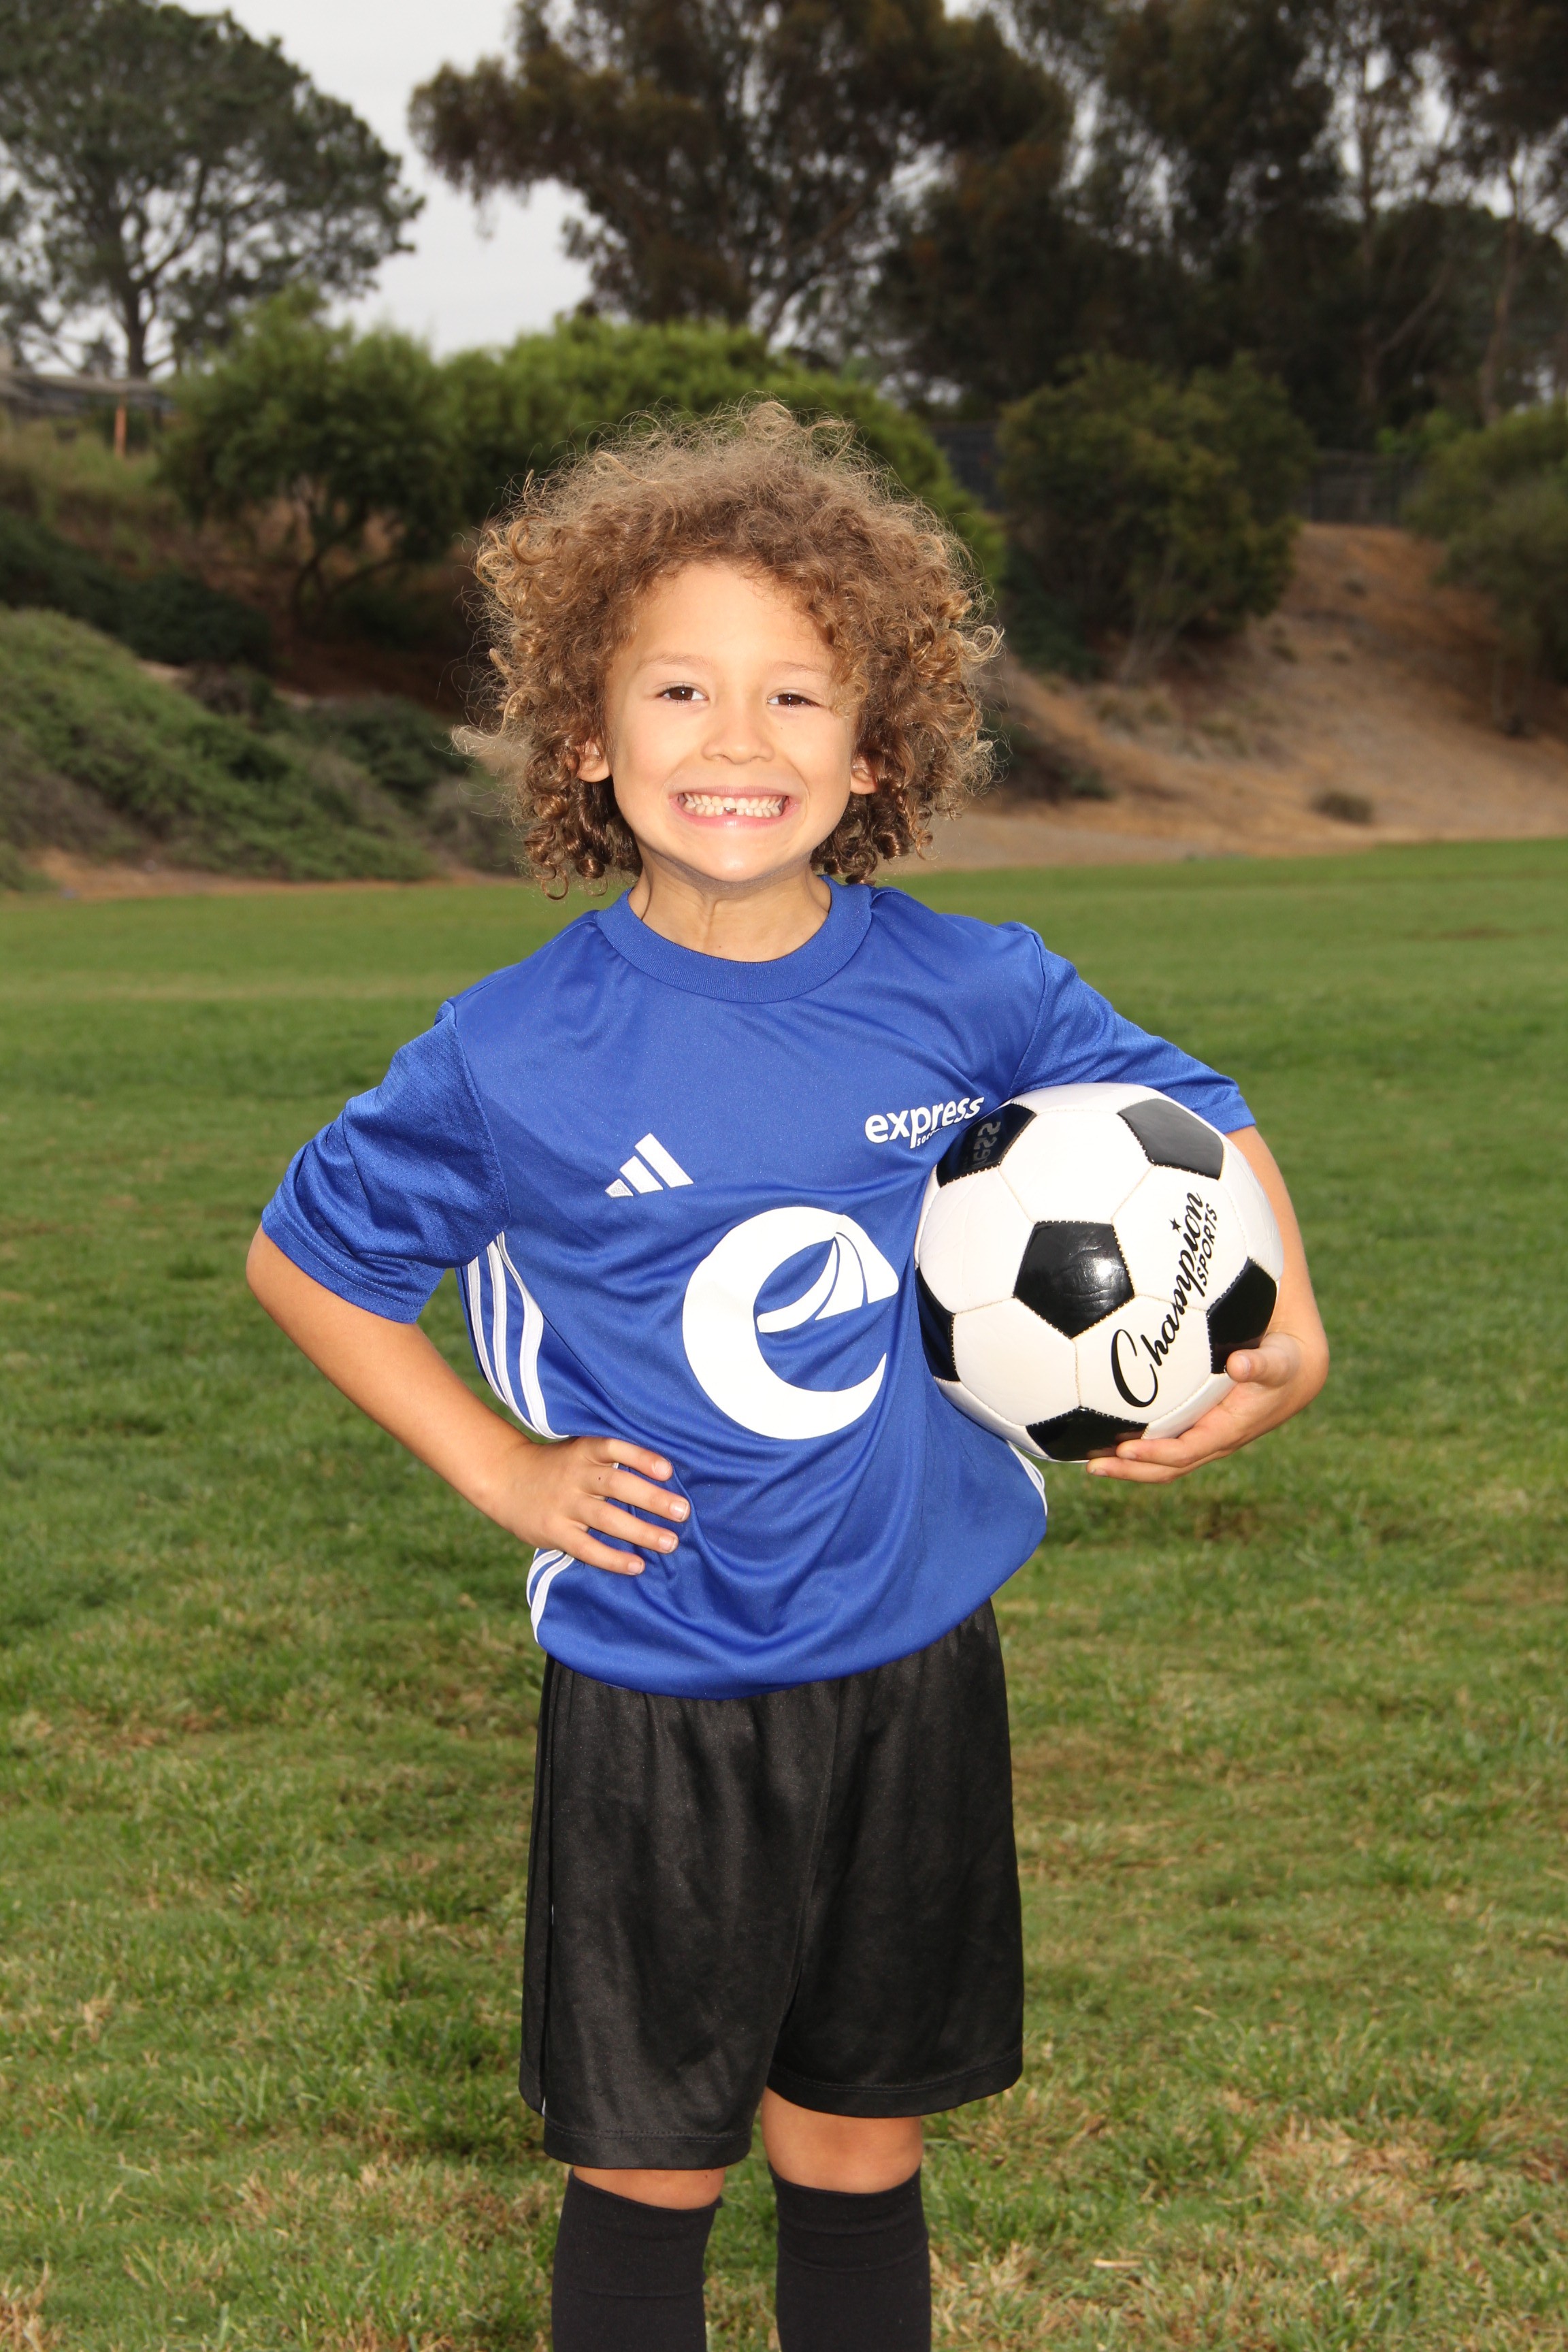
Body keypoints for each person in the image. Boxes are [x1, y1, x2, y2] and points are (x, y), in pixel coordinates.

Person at [246, 406, 1328, 2352]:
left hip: (916, 1659)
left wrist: (1289, 1322)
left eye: (796, 695)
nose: (735, 740)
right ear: (584, 738)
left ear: (875, 750)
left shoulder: (973, 987)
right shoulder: (511, 1053)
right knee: (651, 2164)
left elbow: (1192, 1105)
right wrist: (504, 1473)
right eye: (679, 689)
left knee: (856, 2141)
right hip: (666, 1681)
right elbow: (306, 1262)